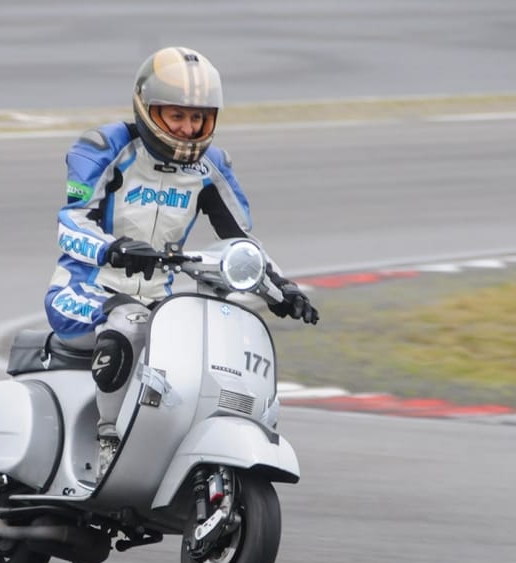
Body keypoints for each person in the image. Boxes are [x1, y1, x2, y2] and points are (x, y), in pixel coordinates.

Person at [43, 46, 318, 480]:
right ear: (147, 109)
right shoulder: (104, 147)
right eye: (177, 116)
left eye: (199, 118)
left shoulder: (211, 167)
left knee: (221, 331)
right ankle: (109, 442)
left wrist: (281, 288)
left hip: (162, 302)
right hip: (85, 291)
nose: (188, 129)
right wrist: (112, 248)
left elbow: (242, 241)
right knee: (129, 324)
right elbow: (70, 224)